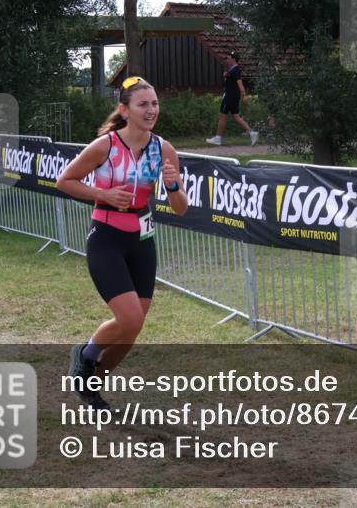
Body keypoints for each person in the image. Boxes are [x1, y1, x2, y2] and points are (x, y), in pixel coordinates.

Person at [57, 77, 189, 409]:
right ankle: (84, 355)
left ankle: (91, 386)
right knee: (129, 319)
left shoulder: (164, 149)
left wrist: (173, 187)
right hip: (107, 238)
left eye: (155, 103)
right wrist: (102, 194)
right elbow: (65, 180)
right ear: (124, 110)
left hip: (142, 239)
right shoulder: (106, 146)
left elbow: (181, 208)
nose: (151, 110)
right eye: (143, 104)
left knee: (133, 327)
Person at [206, 54, 258, 146]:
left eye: (228, 58)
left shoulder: (235, 70)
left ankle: (218, 138)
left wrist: (244, 95)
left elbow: (239, 83)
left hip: (229, 96)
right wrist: (227, 75)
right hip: (233, 96)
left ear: (233, 59)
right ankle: (252, 133)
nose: (227, 60)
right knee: (236, 117)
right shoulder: (234, 69)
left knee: (222, 116)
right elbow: (232, 78)